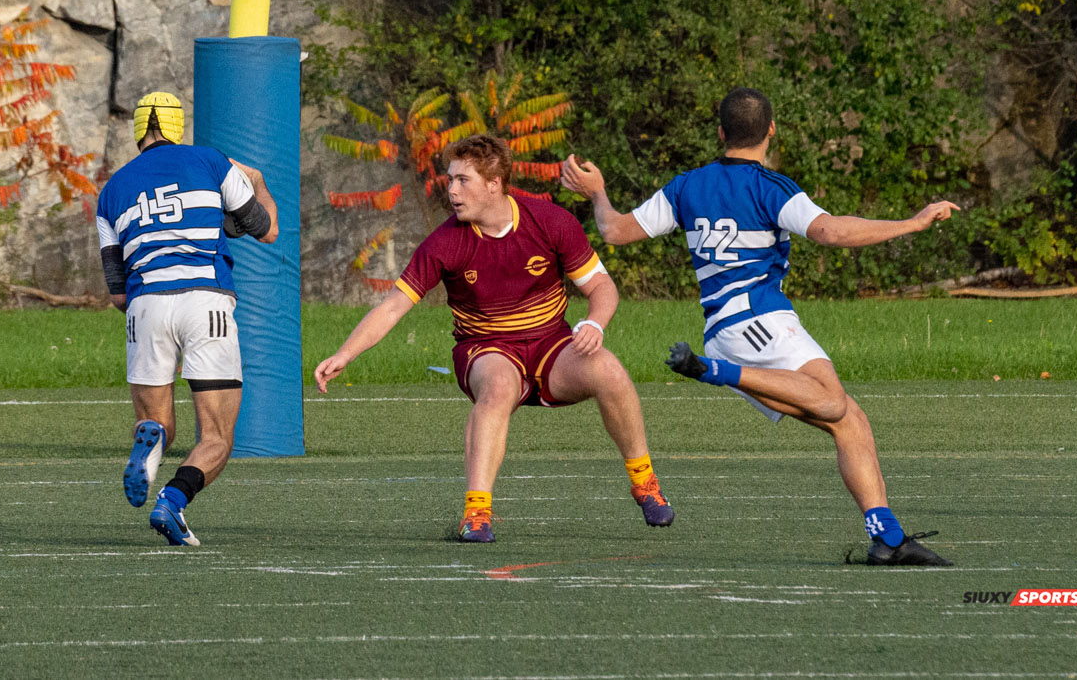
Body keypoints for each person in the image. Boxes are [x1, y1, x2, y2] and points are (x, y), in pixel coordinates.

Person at [560, 85, 961, 567]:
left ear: (721, 132)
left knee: (849, 421)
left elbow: (615, 231)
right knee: (833, 402)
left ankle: (887, 538)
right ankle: (713, 370)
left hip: (737, 325)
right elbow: (830, 231)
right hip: (757, 322)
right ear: (771, 129)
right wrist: (912, 223)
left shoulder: (688, 185)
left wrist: (598, 192)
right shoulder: (770, 187)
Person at [316, 134, 673, 543]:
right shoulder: (445, 242)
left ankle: (644, 483)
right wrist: (345, 353)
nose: (451, 190)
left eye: (463, 180)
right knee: (500, 385)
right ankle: (477, 513)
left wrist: (594, 323)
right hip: (484, 349)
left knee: (609, 370)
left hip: (551, 347)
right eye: (450, 179)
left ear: (495, 183)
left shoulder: (551, 222)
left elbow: (602, 288)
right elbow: (394, 306)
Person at [97, 90, 278, 547]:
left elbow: (117, 291)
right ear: (179, 126)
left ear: (139, 129)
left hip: (145, 306)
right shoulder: (212, 162)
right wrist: (256, 182)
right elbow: (266, 230)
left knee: (158, 423)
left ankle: (151, 439)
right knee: (216, 435)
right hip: (206, 302)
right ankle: (172, 501)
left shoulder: (112, 190)